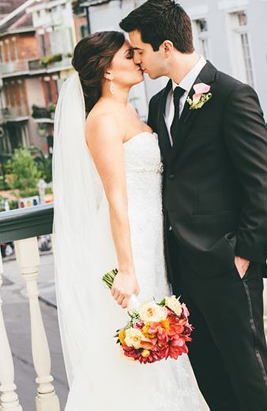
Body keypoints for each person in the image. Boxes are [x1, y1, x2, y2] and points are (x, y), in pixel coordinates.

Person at [122, 0, 267, 411]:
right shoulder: (159, 105)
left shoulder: (232, 95)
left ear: (167, 48)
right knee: (208, 372)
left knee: (249, 369)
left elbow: (262, 180)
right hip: (182, 268)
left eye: (139, 50)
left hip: (227, 261)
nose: (137, 61)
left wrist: (244, 253)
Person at [52, 31, 202, 410]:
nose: (137, 59)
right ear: (105, 70)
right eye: (127, 54)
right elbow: (116, 199)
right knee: (134, 341)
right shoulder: (102, 120)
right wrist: (127, 268)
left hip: (152, 236)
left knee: (161, 342)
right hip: (128, 241)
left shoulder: (132, 111)